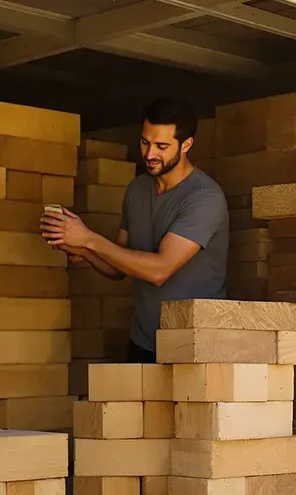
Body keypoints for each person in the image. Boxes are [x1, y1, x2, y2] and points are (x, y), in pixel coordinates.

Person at [41, 97, 229, 364]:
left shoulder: (204, 197)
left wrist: (89, 239)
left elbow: (160, 270)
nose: (149, 154)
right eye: (144, 142)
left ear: (186, 145)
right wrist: (80, 248)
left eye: (161, 146)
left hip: (195, 344)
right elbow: (118, 266)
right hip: (144, 341)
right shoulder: (137, 189)